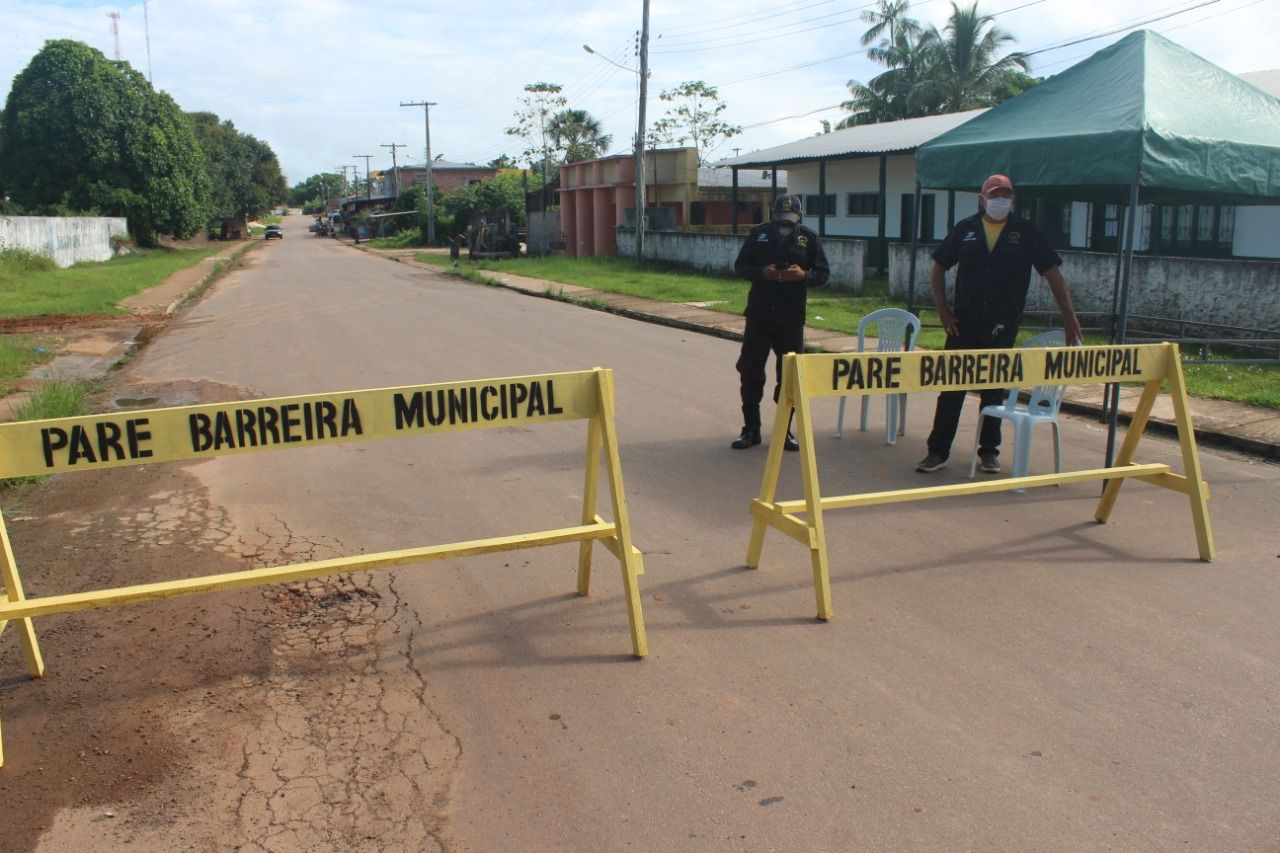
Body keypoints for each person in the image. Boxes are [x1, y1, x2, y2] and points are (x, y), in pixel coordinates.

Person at [916, 173, 1082, 474]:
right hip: (962, 324)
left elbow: (1053, 275)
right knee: (951, 390)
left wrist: (1070, 319)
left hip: (1002, 325)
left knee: (993, 392)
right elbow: (938, 268)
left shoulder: (1025, 232)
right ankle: (937, 451)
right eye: (994, 195)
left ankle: (989, 451)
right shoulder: (965, 229)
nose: (1000, 200)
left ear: (1013, 200)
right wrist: (943, 311)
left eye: (1005, 196)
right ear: (983, 199)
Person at [731, 194, 831, 450]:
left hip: (790, 317)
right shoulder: (758, 234)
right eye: (780, 220)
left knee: (789, 376)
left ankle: (784, 431)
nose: (784, 224)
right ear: (773, 216)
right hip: (760, 315)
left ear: (798, 217)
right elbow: (741, 266)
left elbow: (823, 274)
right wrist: (762, 272)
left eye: (790, 220)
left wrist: (803, 275)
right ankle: (750, 429)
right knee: (750, 371)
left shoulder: (808, 238)